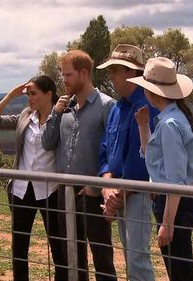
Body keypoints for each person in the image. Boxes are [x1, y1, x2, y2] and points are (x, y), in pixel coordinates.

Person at [42, 50, 117, 281]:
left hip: (93, 192)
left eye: (68, 75)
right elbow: (47, 142)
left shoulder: (106, 106)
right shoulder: (65, 108)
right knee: (72, 257)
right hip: (66, 191)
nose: (63, 80)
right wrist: (55, 113)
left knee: (102, 256)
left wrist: (98, 186)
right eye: (62, 75)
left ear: (84, 73)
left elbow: (112, 152)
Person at [0, 75, 66, 280]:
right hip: (21, 189)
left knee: (58, 246)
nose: (29, 98)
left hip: (50, 189)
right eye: (28, 94)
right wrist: (10, 95)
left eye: (33, 94)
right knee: (19, 248)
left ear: (48, 94)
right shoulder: (25, 115)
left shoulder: (63, 116)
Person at [129, 57, 193, 281]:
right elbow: (156, 159)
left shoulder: (170, 125)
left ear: (153, 92)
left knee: (179, 273)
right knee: (179, 269)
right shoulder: (175, 119)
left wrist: (167, 223)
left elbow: (175, 179)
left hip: (174, 205)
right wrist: (143, 126)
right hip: (177, 203)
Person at [96, 44, 157, 281]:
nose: (110, 76)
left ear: (130, 73)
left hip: (139, 194)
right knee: (131, 256)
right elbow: (105, 152)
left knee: (138, 259)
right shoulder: (116, 108)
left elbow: (146, 159)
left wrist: (118, 192)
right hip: (118, 193)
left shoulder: (148, 106)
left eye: (114, 71)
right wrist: (107, 185)